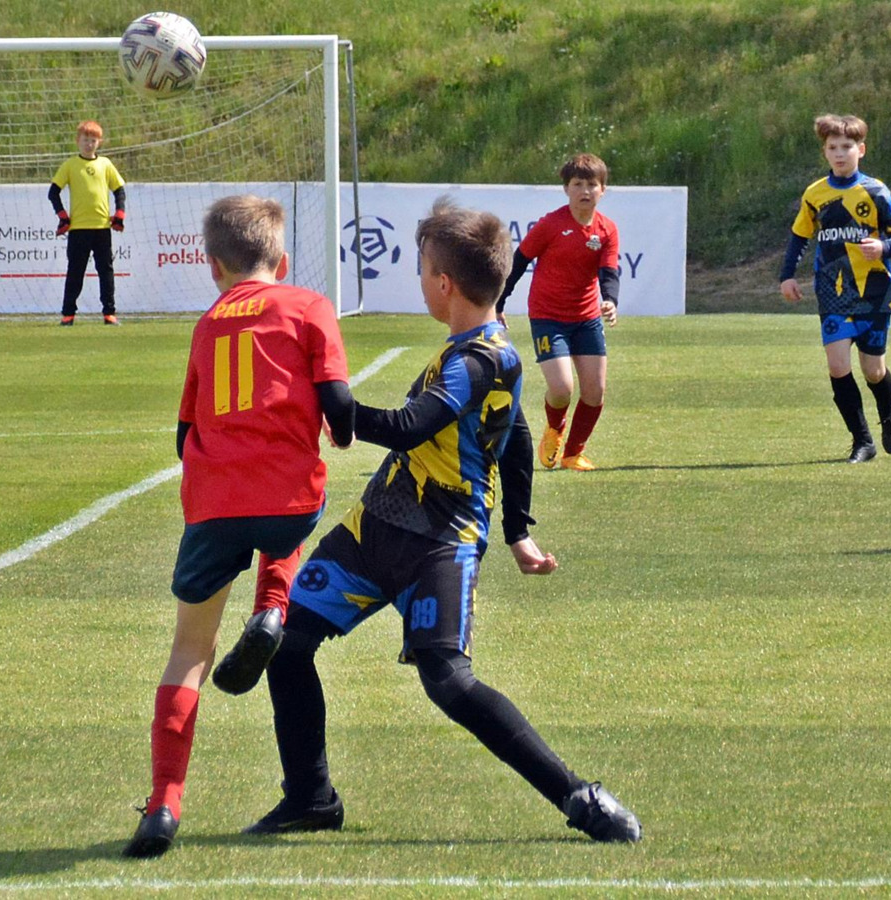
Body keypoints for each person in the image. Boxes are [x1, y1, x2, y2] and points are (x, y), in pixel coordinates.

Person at [245, 198, 641, 845]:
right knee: (287, 645)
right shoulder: (475, 351)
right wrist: (519, 530)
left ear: (444, 283)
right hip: (374, 528)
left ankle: (579, 796)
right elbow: (517, 437)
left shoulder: (480, 359)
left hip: (440, 542)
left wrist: (332, 401)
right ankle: (310, 798)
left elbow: (410, 426)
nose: (421, 279)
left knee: (449, 682)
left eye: (423, 268)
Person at [123, 195, 356, 859]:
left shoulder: (207, 325)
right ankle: (273, 606)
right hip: (286, 496)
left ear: (213, 266)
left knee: (188, 652)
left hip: (213, 501)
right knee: (292, 514)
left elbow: (183, 434)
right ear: (282, 260)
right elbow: (338, 401)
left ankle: (163, 803)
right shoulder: (308, 306)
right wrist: (338, 432)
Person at [780, 113, 891, 463]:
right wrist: (787, 276)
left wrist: (883, 247)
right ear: (825, 152)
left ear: (860, 150)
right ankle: (862, 442)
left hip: (874, 291)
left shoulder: (876, 191)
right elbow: (799, 237)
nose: (840, 153)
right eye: (833, 147)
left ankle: (889, 416)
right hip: (833, 292)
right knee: (837, 366)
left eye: (847, 147)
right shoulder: (815, 194)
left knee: (873, 371)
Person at [496, 152, 620, 472]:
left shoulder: (607, 229)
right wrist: (499, 303)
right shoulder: (551, 225)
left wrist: (610, 300)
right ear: (566, 189)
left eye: (592, 185)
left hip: (587, 318)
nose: (585, 191)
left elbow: (609, 271)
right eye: (577, 184)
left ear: (603, 190)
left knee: (594, 391)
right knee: (562, 389)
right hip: (548, 317)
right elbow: (518, 263)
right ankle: (554, 430)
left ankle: (572, 454)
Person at [49, 121, 126, 326]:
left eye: (93, 140)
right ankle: (68, 314)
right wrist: (63, 216)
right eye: (85, 140)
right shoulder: (70, 165)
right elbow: (53, 192)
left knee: (106, 272)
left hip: (102, 228)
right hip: (78, 229)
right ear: (78, 141)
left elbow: (119, 190)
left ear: (99, 142)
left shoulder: (105, 164)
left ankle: (109, 313)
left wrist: (119, 213)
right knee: (75, 272)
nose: (89, 144)